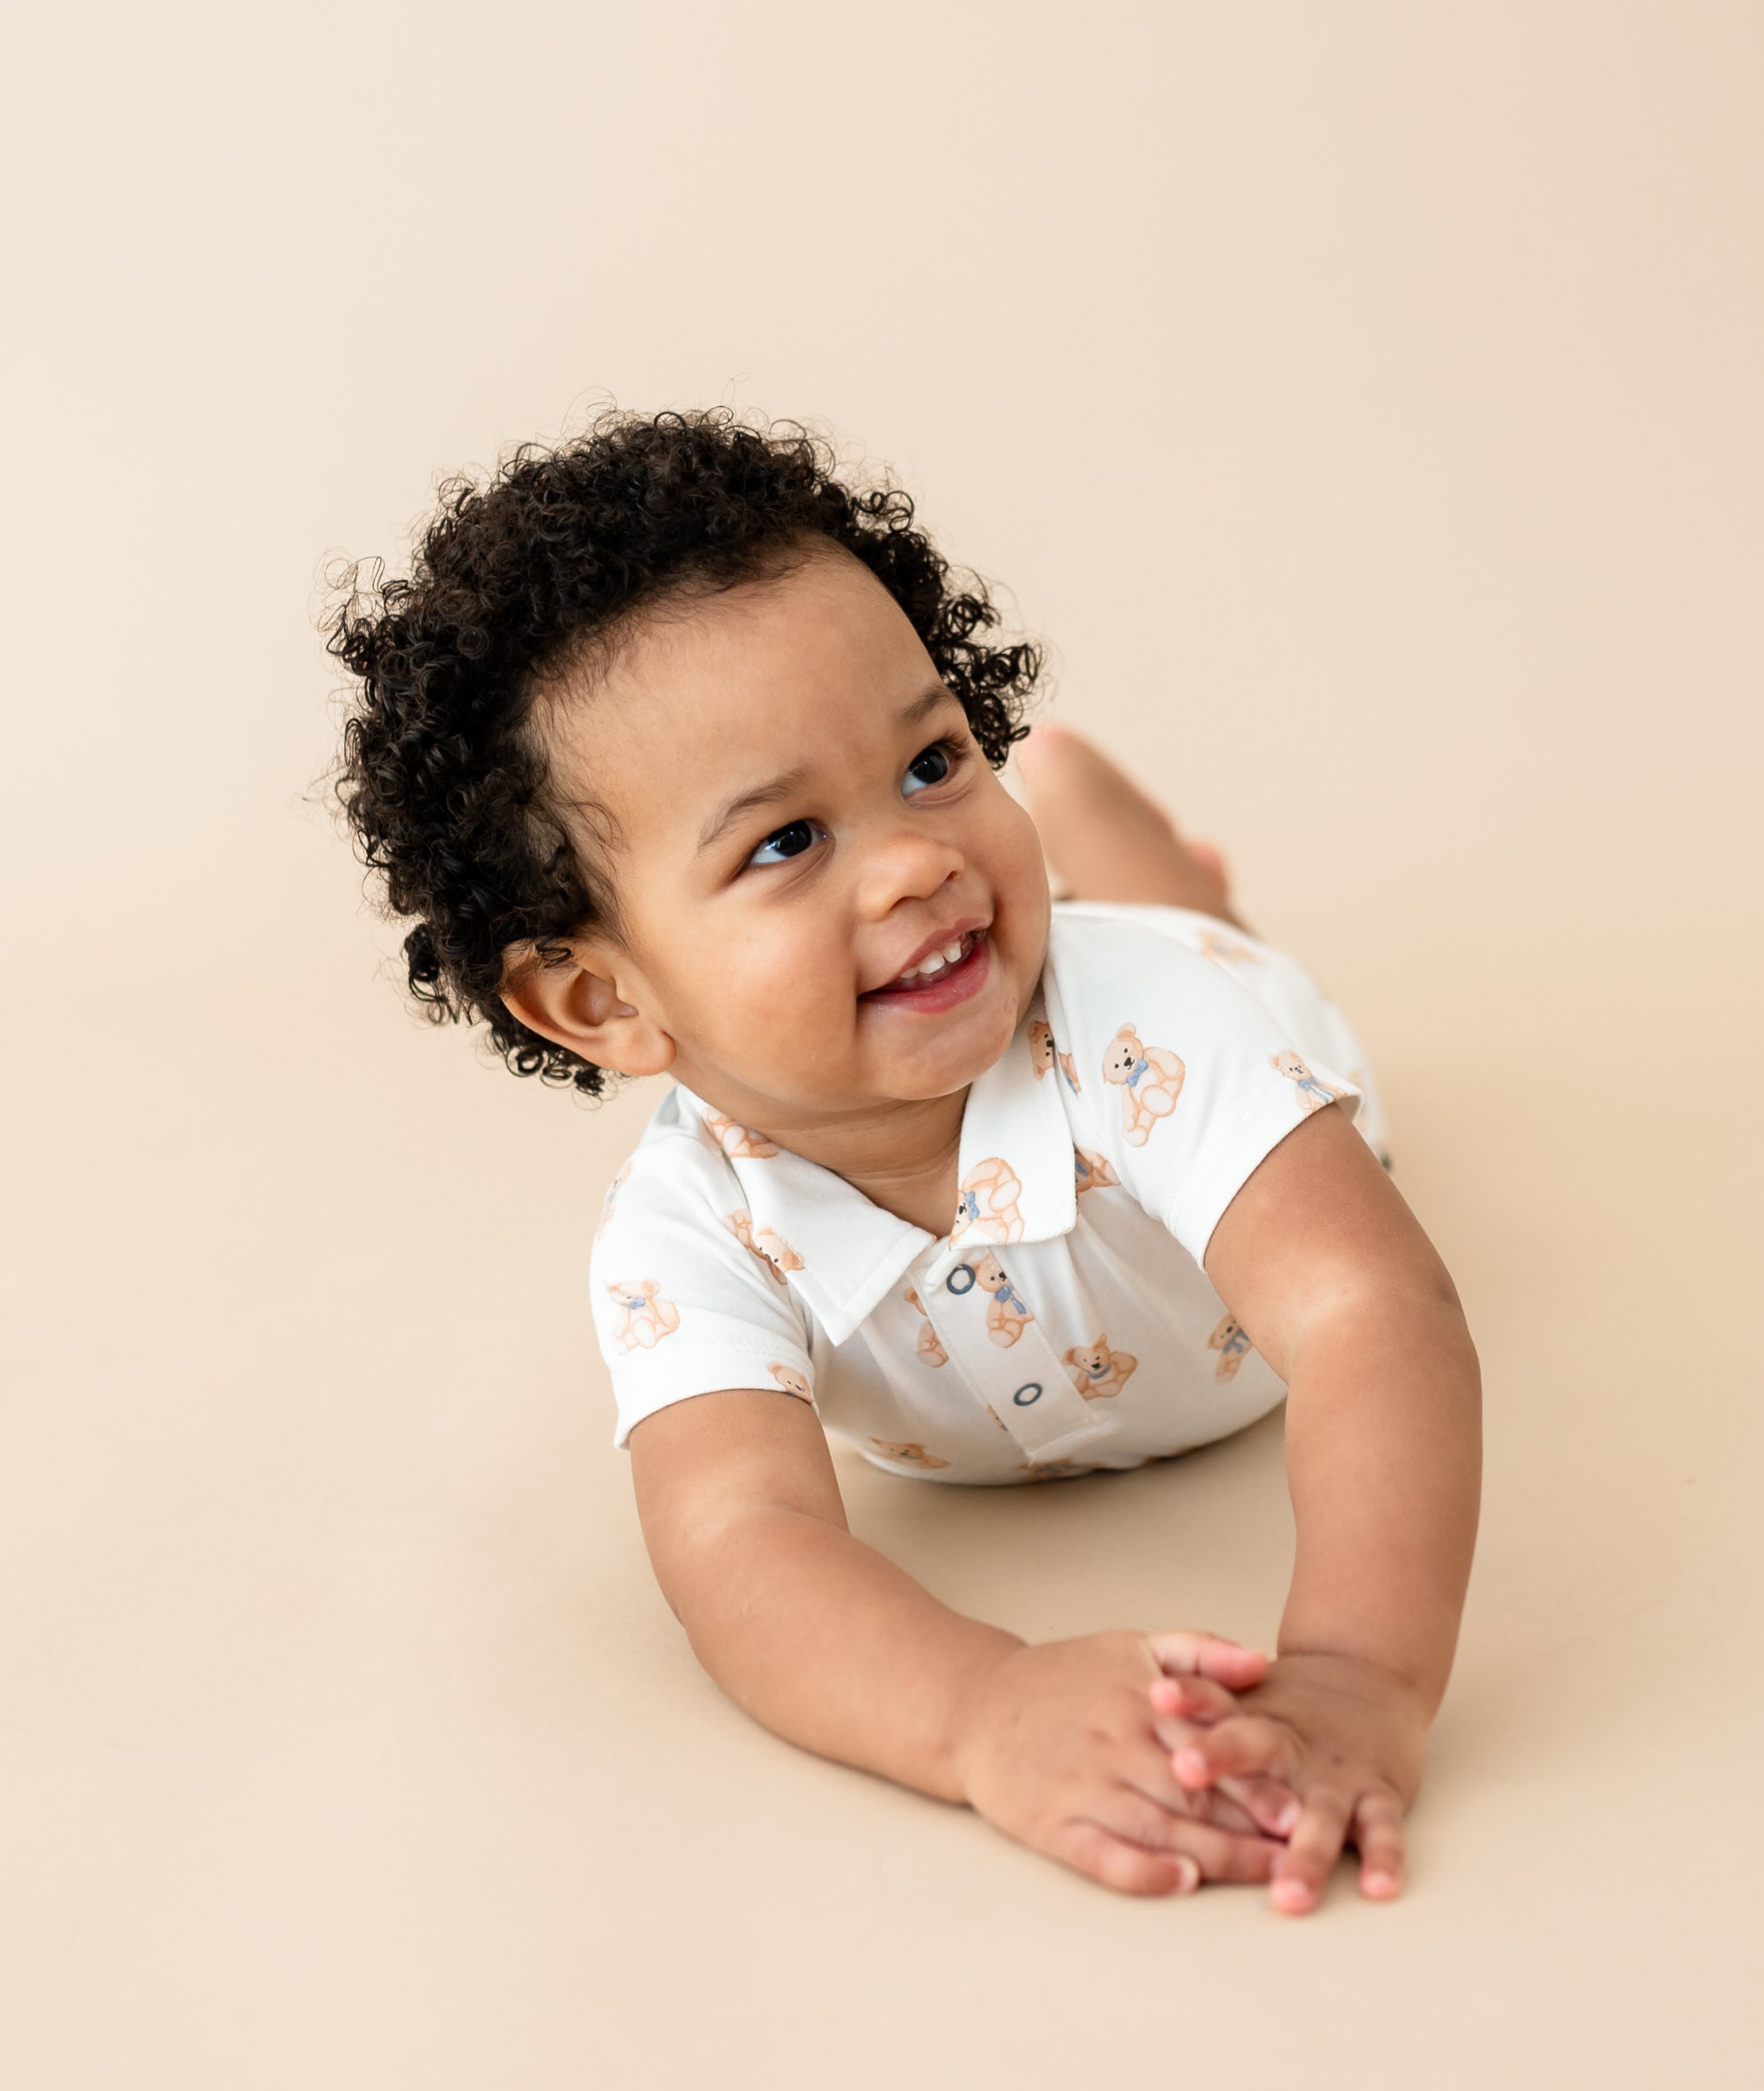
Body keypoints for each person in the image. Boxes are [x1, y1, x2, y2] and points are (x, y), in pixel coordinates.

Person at [326, 411, 1481, 1911]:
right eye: (786, 842)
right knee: (1056, 909)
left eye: (934, 761)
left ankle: (1133, 865)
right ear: (604, 998)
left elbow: (1370, 1315)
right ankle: (1100, 840)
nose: (917, 857)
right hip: (1028, 993)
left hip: (1223, 1003)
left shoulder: (1157, 1033)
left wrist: (1354, 1677)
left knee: (1182, 944)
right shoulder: (687, 1235)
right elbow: (743, 1541)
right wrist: (981, 1712)